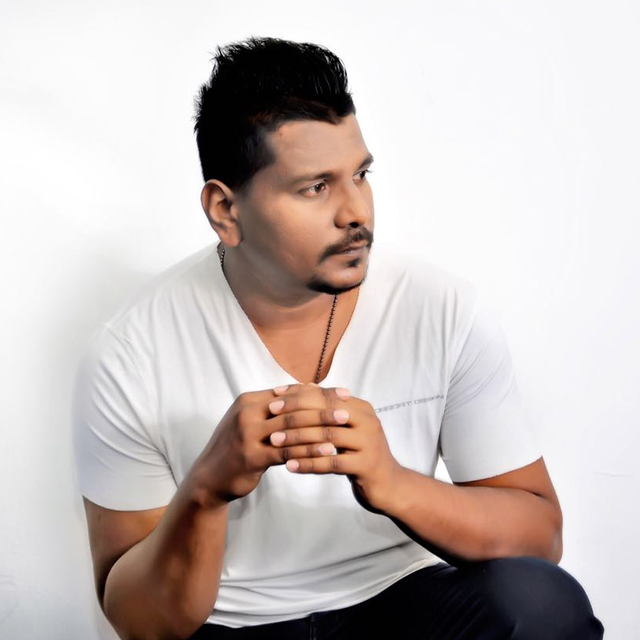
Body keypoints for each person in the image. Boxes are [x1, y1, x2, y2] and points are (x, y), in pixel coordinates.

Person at [72, 36, 604, 640]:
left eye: (360, 175)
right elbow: (140, 622)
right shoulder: (130, 353)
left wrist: (394, 484)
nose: (357, 213)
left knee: (542, 605)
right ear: (225, 210)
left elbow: (540, 538)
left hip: (401, 601)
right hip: (233, 623)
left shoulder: (442, 310)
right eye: (315, 187)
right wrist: (204, 492)